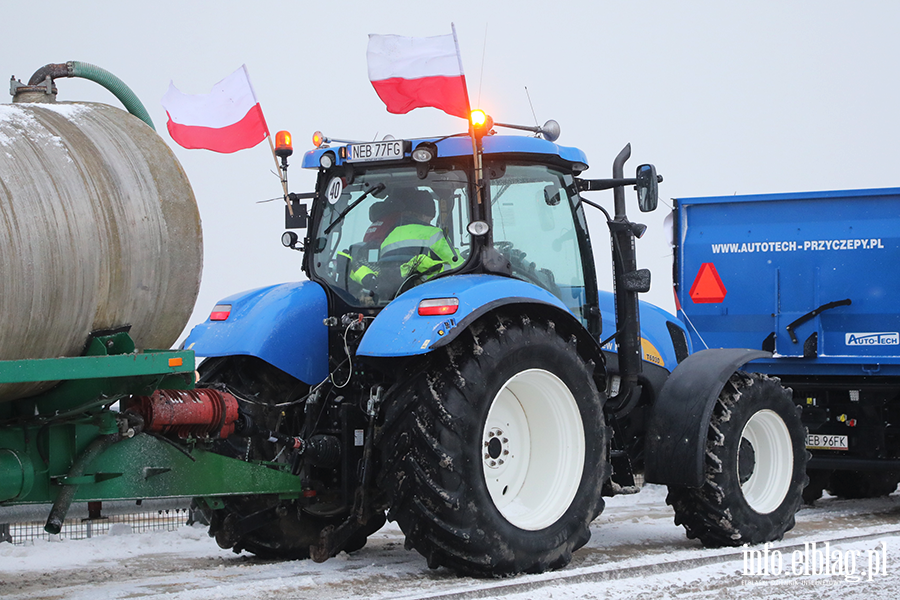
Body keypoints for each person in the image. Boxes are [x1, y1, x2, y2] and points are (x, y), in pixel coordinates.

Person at [347, 188, 461, 294]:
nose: (429, 222)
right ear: (424, 215)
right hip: (427, 293)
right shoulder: (433, 234)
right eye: (429, 219)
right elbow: (458, 266)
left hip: (394, 295)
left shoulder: (389, 236)